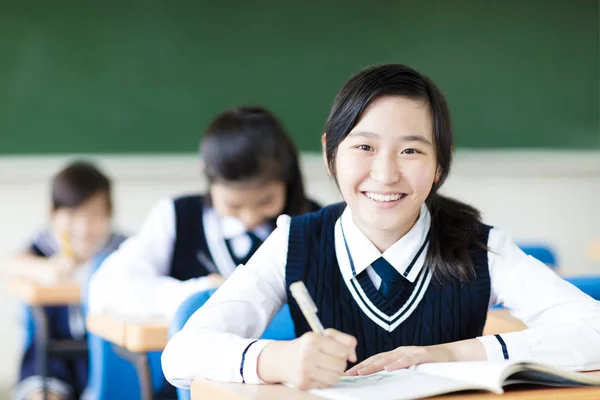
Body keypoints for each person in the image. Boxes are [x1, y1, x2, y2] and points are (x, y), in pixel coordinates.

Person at [161, 64, 600, 391]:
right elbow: (181, 354)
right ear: (331, 152)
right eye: (365, 147)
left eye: (411, 151)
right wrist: (275, 359)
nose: (385, 174)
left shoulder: (479, 247)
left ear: (440, 164)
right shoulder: (294, 242)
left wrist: (453, 353)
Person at [88, 106, 320, 320]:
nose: (250, 217)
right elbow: (107, 290)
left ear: (288, 179)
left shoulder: (316, 221)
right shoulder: (176, 217)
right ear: (208, 176)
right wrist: (202, 292)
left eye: (266, 201)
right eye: (234, 205)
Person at [9, 161, 126, 400]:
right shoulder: (46, 247)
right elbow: (8, 264)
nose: (83, 228)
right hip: (48, 360)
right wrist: (46, 269)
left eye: (94, 214)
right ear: (52, 213)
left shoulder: (124, 251)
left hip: (108, 356)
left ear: (109, 212)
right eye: (72, 215)